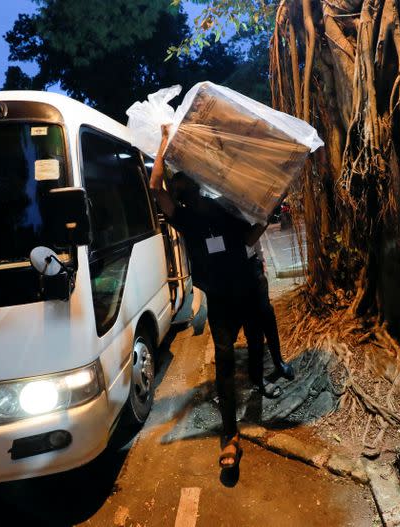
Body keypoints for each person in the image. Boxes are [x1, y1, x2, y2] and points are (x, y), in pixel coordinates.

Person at [149, 125, 279, 470]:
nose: (178, 190)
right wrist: (164, 141)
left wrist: (267, 212)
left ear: (194, 183)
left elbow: (249, 235)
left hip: (247, 290)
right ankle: (230, 435)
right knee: (223, 360)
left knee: (255, 343)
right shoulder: (185, 220)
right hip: (221, 299)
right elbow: (154, 184)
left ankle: (257, 385)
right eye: (176, 187)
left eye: (182, 183)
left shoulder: (224, 207)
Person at [245, 241, 295, 382]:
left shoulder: (245, 218)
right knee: (250, 323)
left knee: (267, 314)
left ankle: (278, 362)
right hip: (234, 270)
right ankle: (255, 372)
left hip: (252, 264)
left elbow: (256, 234)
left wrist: (261, 260)